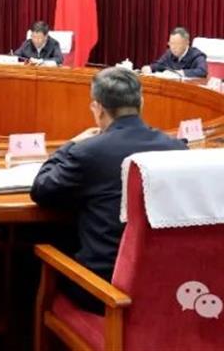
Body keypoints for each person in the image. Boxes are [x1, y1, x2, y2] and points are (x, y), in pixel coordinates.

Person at [30, 67, 187, 313]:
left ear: (98, 108)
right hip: (162, 289)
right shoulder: (177, 149)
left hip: (102, 292)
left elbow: (42, 190)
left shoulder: (88, 152)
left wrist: (70, 145)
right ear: (141, 103)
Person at [141, 26, 207, 78]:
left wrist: (180, 73)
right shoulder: (169, 54)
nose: (173, 47)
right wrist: (149, 68)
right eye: (171, 43)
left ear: (187, 43)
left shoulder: (197, 56)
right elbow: (159, 65)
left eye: (177, 44)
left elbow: (202, 71)